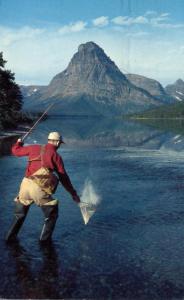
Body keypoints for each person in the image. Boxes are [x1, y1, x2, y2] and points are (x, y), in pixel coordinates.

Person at [6, 132, 80, 242]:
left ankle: (9, 240)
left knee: (19, 215)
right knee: (52, 214)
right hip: (38, 188)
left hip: (25, 185)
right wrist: (73, 194)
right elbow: (64, 179)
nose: (60, 146)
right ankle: (44, 244)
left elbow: (15, 152)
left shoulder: (33, 148)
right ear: (58, 142)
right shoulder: (56, 156)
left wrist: (18, 143)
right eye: (60, 143)